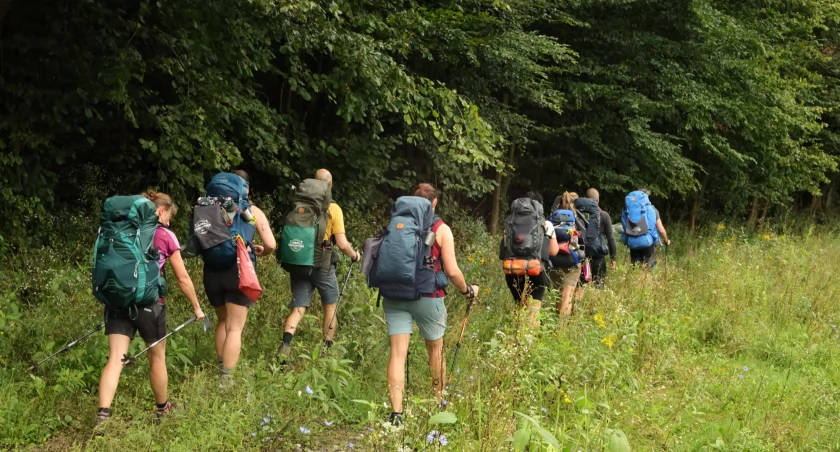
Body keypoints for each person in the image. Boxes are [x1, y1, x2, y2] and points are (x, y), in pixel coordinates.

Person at [97, 191, 206, 423]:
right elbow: (182, 278)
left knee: (116, 356)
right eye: (168, 216)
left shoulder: (120, 232)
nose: (168, 221)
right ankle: (162, 408)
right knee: (157, 358)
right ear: (159, 211)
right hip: (150, 304)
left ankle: (103, 414)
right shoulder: (165, 235)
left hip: (119, 301)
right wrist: (197, 307)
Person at [381, 183, 478, 426]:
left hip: (394, 294)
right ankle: (439, 405)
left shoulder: (398, 223)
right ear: (433, 204)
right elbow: (453, 271)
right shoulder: (440, 228)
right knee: (436, 351)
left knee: (397, 353)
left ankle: (396, 415)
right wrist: (468, 290)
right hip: (428, 297)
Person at [205, 170, 276, 385]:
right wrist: (265, 251)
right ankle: (226, 380)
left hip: (212, 269)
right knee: (235, 328)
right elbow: (270, 243)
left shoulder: (210, 207)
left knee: (223, 320)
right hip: (238, 270)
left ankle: (220, 364)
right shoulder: (248, 210)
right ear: (246, 187)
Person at [279, 169, 360, 357]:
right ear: (330, 185)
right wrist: (354, 255)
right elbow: (341, 243)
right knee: (330, 306)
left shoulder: (299, 205)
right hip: (322, 265)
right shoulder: (333, 208)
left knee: (298, 308)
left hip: (300, 263)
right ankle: (326, 351)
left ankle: (285, 345)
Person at [503, 191, 559, 328]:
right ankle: (530, 345)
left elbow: (504, 248)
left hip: (513, 269)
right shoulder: (546, 224)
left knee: (519, 306)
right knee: (534, 310)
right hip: (536, 270)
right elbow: (554, 251)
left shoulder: (510, 223)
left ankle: (516, 341)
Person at [548, 192, 582, 318]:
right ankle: (562, 328)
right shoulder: (577, 219)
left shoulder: (550, 220)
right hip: (571, 262)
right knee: (567, 295)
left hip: (554, 261)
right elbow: (584, 237)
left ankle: (555, 321)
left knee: (557, 295)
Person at [627, 188, 670, 269]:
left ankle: (636, 280)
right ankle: (647, 281)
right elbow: (661, 230)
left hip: (633, 242)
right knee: (648, 269)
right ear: (646, 197)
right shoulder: (652, 210)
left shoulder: (630, 210)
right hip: (648, 243)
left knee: (635, 269)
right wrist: (666, 240)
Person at [584, 188, 617, 286]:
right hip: (599, 254)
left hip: (582, 254)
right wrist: (613, 258)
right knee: (599, 284)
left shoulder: (579, 214)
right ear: (598, 199)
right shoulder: (604, 215)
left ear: (585, 199)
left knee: (581, 286)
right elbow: (611, 238)